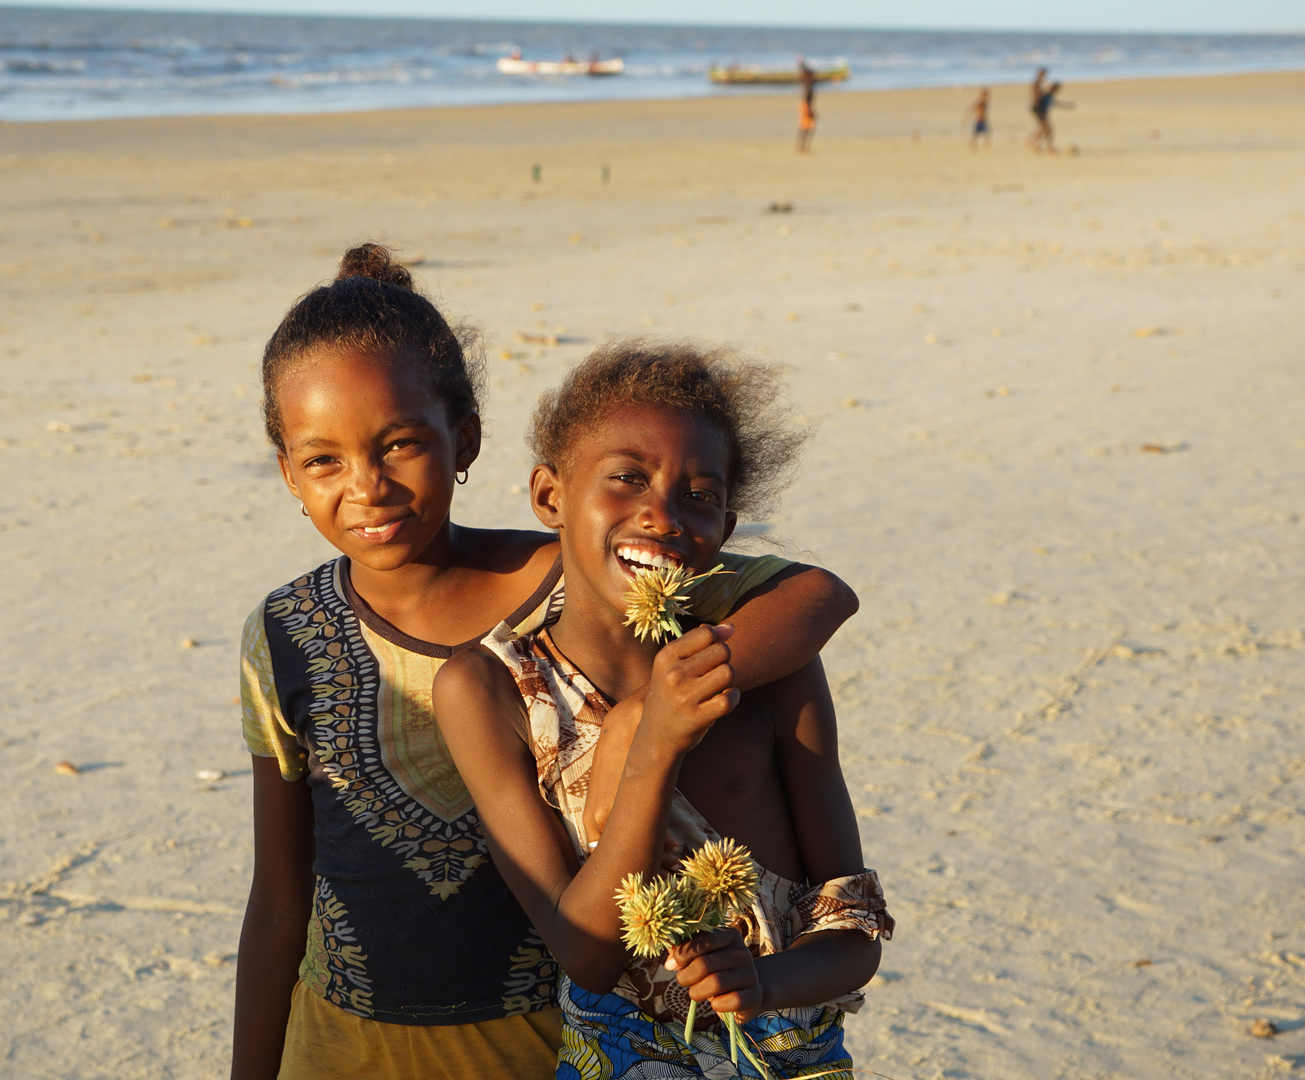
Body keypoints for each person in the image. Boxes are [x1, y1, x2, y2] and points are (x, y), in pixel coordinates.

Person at [232, 246, 862, 1080]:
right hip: (341, 1044)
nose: (368, 487)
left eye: (400, 445)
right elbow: (279, 900)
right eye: (323, 461)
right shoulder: (285, 634)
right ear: (287, 472)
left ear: (465, 441)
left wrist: (649, 716)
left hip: (537, 1043)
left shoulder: (595, 572)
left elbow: (814, 594)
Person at [433, 340, 893, 1079]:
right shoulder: (490, 689)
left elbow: (854, 929)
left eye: (700, 496)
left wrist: (764, 982)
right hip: (621, 1053)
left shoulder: (773, 672)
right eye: (626, 478)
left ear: (724, 536)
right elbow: (585, 953)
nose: (661, 514)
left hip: (787, 1050)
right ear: (550, 496)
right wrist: (651, 744)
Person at [796, 56, 818, 153]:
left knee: (804, 126)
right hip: (806, 106)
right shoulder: (808, 85)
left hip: (805, 105)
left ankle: (802, 145)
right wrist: (810, 110)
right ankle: (803, 146)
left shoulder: (806, 84)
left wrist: (802, 63)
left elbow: (804, 70)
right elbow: (807, 98)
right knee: (809, 127)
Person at [969, 87, 992, 151]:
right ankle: (973, 147)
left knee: (986, 134)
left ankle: (986, 146)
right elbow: (973, 109)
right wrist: (968, 117)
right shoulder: (981, 103)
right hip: (979, 121)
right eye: (985, 96)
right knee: (975, 135)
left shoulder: (986, 103)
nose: (987, 98)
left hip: (984, 121)